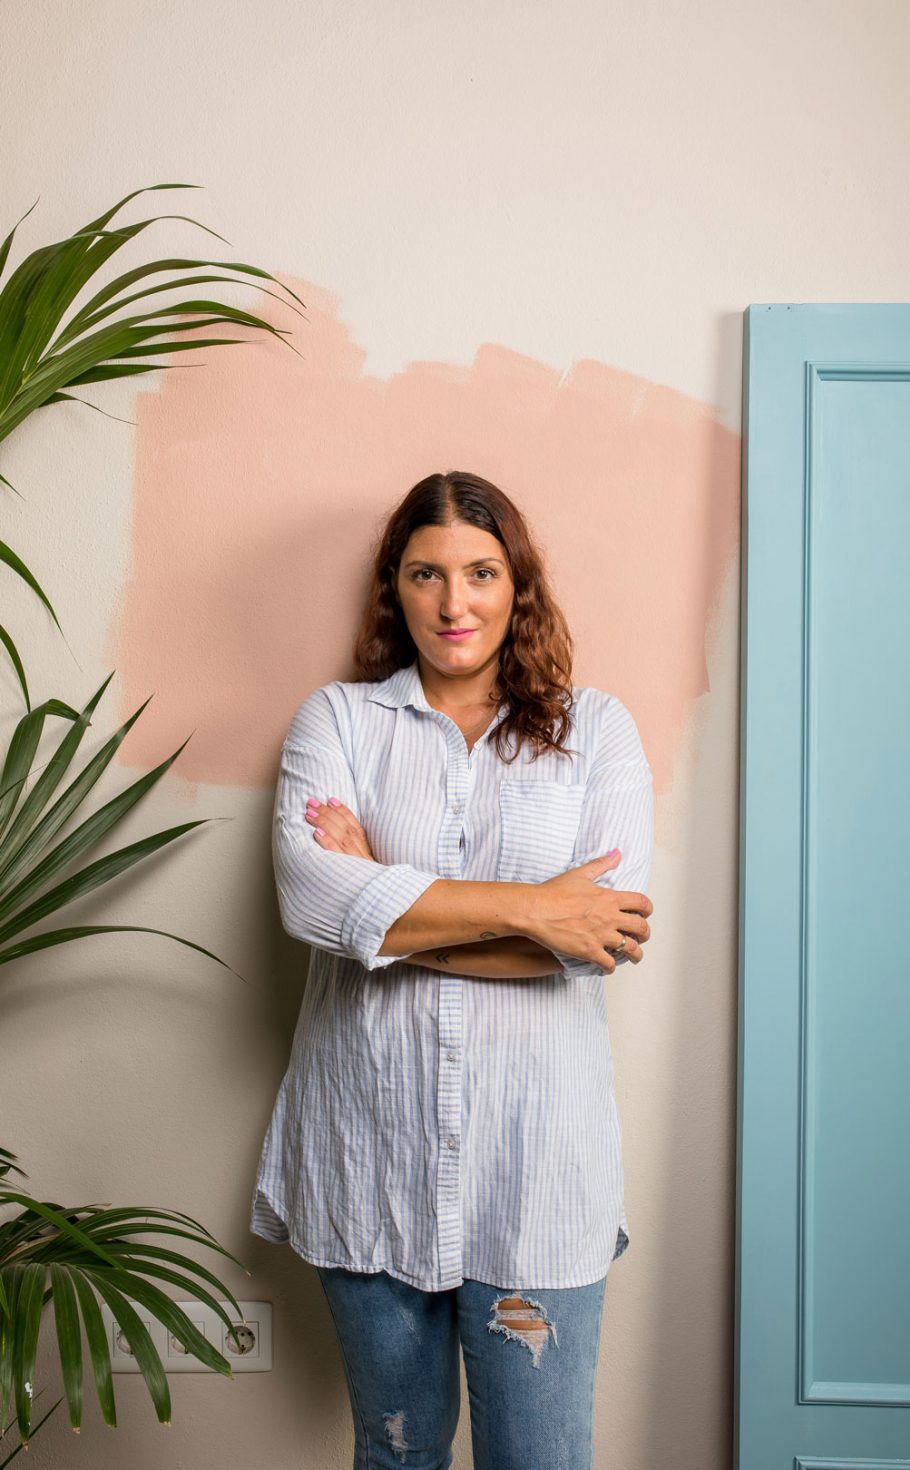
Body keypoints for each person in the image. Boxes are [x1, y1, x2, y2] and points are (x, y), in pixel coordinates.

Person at [251, 470, 654, 1470]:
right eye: (425, 574)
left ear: (518, 585)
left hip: (536, 1169)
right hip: (368, 1157)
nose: (453, 602)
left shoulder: (595, 731)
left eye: (480, 572)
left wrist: (383, 904)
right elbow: (311, 902)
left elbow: (597, 940)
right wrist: (533, 909)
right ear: (394, 587)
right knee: (395, 1456)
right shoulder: (337, 722)